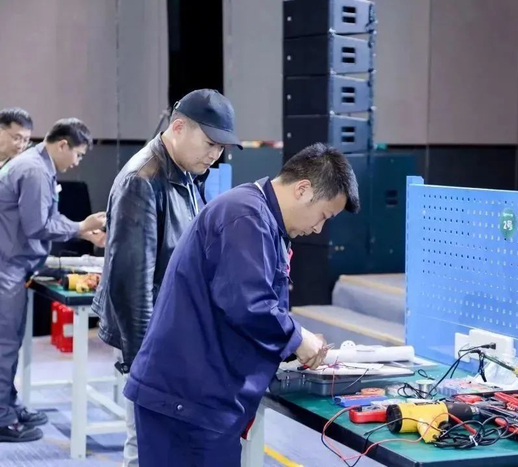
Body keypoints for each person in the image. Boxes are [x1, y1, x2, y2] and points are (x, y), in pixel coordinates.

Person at [123, 143, 360, 466]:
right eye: (323, 216)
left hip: (198, 396)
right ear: (303, 189)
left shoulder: (260, 217)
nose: (318, 228)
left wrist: (292, 343)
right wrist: (297, 338)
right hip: (186, 401)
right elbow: (248, 303)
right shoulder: (245, 216)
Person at [92, 88, 241, 466]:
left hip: (171, 334)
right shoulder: (142, 180)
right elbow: (131, 285)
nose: (216, 154)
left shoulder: (185, 172)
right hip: (150, 341)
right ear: (178, 128)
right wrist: (142, 363)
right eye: (210, 143)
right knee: (145, 445)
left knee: (165, 444)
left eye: (222, 147)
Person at [0, 118, 106, 442]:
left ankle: (8, 404)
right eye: (78, 154)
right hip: (7, 267)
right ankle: (2, 418)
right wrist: (81, 226)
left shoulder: (39, 165)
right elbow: (37, 226)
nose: (77, 162)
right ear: (63, 144)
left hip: (15, 264)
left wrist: (82, 231)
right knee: (4, 345)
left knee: (10, 343)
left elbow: (48, 216)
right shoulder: (33, 169)